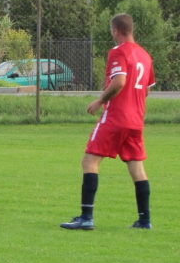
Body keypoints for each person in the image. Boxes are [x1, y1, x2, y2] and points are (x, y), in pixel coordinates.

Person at [61, 13, 155, 230]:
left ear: (115, 31)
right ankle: (144, 220)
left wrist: (100, 100)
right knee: (136, 167)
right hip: (136, 121)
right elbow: (146, 90)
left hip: (115, 117)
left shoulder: (118, 52)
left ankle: (86, 217)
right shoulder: (145, 55)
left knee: (90, 162)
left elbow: (119, 81)